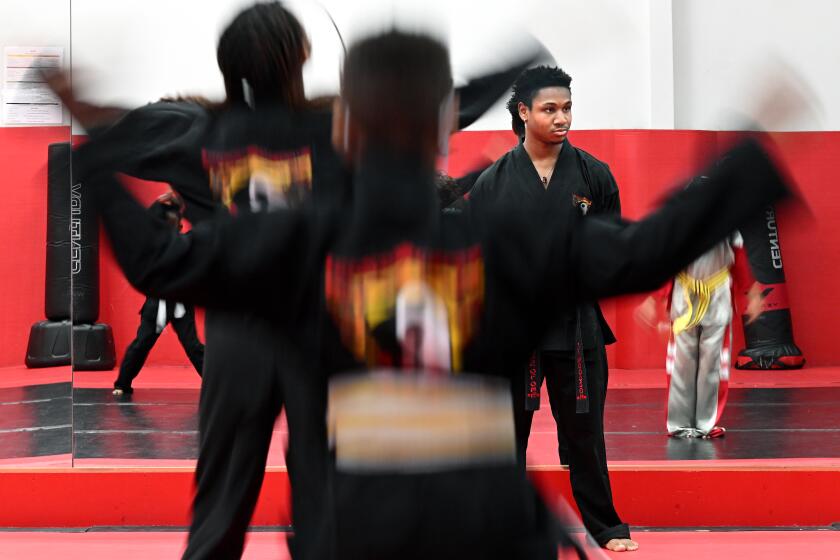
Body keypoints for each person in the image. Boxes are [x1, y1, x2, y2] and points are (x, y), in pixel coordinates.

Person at [76, 28, 793, 558]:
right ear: (441, 131)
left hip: (355, 529)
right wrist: (747, 157)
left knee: (243, 496)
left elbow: (155, 263)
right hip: (492, 528)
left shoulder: (297, 246)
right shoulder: (502, 240)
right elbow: (650, 248)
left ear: (346, 126)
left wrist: (96, 164)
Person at [467, 65, 632, 551]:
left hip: (577, 325)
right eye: (550, 109)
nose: (562, 118)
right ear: (523, 112)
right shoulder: (494, 182)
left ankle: (604, 524)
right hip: (515, 329)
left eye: (567, 108)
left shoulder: (594, 175)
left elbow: (613, 247)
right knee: (506, 437)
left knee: (586, 435)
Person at [635, 176, 765, 439]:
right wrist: (654, 299)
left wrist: (751, 294)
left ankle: (706, 423)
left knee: (713, 364)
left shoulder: (730, 227)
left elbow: (740, 263)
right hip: (685, 298)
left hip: (717, 298)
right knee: (681, 363)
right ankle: (680, 423)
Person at [113, 192, 205, 395]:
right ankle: (122, 384)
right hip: (156, 305)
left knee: (193, 346)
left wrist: (187, 204)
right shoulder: (153, 247)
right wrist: (160, 203)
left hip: (181, 304)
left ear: (180, 227)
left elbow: (204, 230)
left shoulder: (186, 243)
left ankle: (214, 384)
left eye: (176, 225)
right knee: (142, 344)